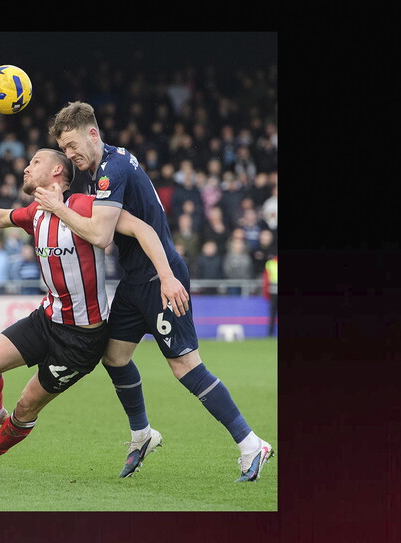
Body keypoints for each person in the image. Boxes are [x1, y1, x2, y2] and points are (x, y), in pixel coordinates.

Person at [35, 101, 273, 482]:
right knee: (114, 357)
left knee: (185, 367)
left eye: (72, 145)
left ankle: (250, 444)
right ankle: (142, 434)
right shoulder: (104, 168)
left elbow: (101, 235)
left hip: (158, 278)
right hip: (134, 280)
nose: (69, 154)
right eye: (64, 149)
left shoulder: (112, 170)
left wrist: (57, 207)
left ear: (92, 133)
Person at [0, 148, 189, 479]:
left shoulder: (88, 207)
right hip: (47, 319)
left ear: (58, 171)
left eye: (35, 163)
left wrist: (166, 276)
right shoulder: (36, 213)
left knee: (27, 406)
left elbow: (144, 230)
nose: (26, 169)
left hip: (81, 339)